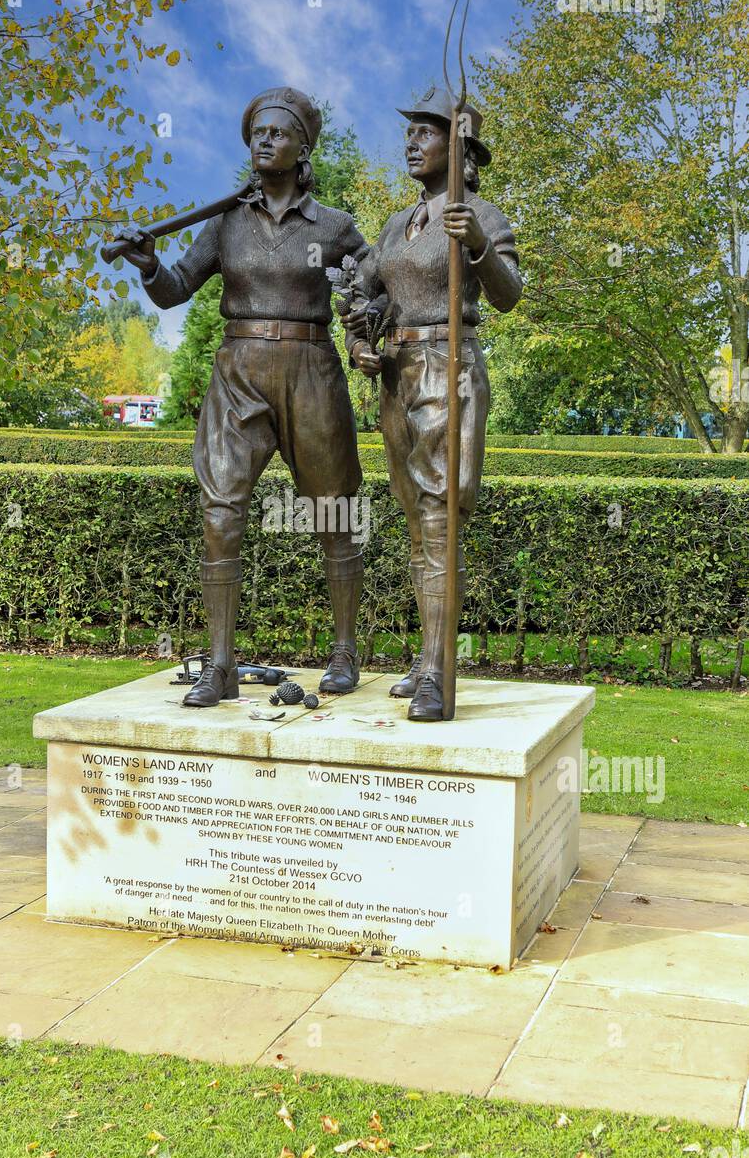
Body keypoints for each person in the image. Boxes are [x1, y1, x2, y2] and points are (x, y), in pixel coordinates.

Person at [113, 88, 369, 707]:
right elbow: (175, 291)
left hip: (311, 370)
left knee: (334, 514)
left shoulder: (335, 227)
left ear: (303, 146)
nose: (264, 140)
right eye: (256, 132)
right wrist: (149, 266)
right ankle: (221, 666)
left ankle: (343, 653)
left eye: (277, 132)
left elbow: (375, 287)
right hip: (239, 372)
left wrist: (366, 309)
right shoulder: (225, 224)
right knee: (220, 514)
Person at [341, 87, 522, 721]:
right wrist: (361, 343)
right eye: (409, 132)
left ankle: (439, 677)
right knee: (418, 526)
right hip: (398, 376)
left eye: (426, 131)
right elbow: (365, 300)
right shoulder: (396, 224)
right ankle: (428, 656)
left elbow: (507, 296)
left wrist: (475, 242)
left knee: (442, 522)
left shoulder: (481, 214)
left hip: (450, 369)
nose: (412, 142)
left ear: (458, 145)